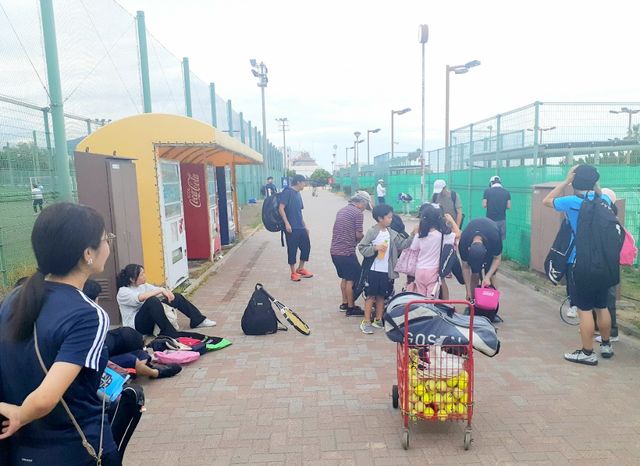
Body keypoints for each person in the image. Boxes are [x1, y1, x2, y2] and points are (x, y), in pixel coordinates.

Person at [0, 202, 121, 465]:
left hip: (19, 452)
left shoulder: (13, 299)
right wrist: (20, 414)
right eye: (106, 239)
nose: (108, 245)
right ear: (88, 253)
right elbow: (45, 398)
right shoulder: (88, 314)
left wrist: (6, 409)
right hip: (76, 450)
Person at [543, 164, 614, 365]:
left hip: (579, 262)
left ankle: (587, 352)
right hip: (603, 263)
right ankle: (606, 345)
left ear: (575, 181)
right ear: (594, 181)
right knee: (602, 306)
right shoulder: (604, 200)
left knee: (584, 309)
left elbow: (546, 200)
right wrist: (595, 185)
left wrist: (566, 181)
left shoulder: (571, 202)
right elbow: (601, 194)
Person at [83, 280, 181, 379]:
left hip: (106, 346)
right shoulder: (88, 315)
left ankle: (144, 360)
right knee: (132, 359)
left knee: (129, 337)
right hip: (96, 356)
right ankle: (156, 373)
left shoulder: (94, 312)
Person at [357, 204, 416, 334]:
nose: (391, 219)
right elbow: (362, 247)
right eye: (388, 217)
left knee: (381, 295)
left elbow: (403, 244)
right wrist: (375, 248)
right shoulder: (372, 232)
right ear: (380, 218)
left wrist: (413, 234)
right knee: (370, 295)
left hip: (386, 271)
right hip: (373, 270)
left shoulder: (391, 233)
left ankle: (378, 320)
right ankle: (366, 321)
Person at [116, 264, 215, 338]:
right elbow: (140, 298)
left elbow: (158, 291)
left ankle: (198, 320)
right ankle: (168, 331)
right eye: (142, 274)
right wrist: (160, 290)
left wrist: (167, 292)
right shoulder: (123, 292)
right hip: (138, 327)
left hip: (150, 321)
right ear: (132, 279)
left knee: (176, 297)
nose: (145, 276)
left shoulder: (143, 286)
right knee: (152, 301)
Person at [330, 191, 372, 316]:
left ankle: (344, 303)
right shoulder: (358, 213)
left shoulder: (342, 210)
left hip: (335, 252)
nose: (365, 208)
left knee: (345, 277)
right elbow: (358, 235)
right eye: (365, 205)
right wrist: (367, 240)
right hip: (346, 252)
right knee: (353, 279)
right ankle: (351, 307)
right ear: (361, 202)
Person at [410, 204, 460, 297]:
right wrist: (452, 221)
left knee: (420, 299)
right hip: (433, 271)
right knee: (431, 300)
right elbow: (458, 234)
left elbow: (413, 248)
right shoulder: (442, 235)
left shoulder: (419, 235)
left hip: (419, 270)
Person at [458, 217, 503, 302]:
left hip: (490, 235)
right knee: (475, 273)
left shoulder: (494, 237)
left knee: (491, 275)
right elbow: (465, 267)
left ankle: (493, 302)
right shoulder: (464, 241)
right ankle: (472, 301)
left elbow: (497, 258)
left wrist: (487, 276)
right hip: (475, 232)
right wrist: (468, 291)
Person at [278, 174, 313, 281]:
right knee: (292, 249)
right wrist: (287, 223)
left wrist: (305, 226)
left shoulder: (298, 194)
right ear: (298, 182)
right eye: (303, 182)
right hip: (291, 227)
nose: (304, 184)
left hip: (300, 226)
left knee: (306, 247)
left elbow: (299, 212)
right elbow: (281, 208)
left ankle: (300, 268)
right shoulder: (287, 192)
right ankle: (293, 272)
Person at [483, 175, 511, 240]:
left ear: (491, 183)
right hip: (502, 219)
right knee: (500, 239)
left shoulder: (487, 191)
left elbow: (484, 205)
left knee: (490, 238)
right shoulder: (506, 192)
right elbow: (509, 206)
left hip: (490, 219)